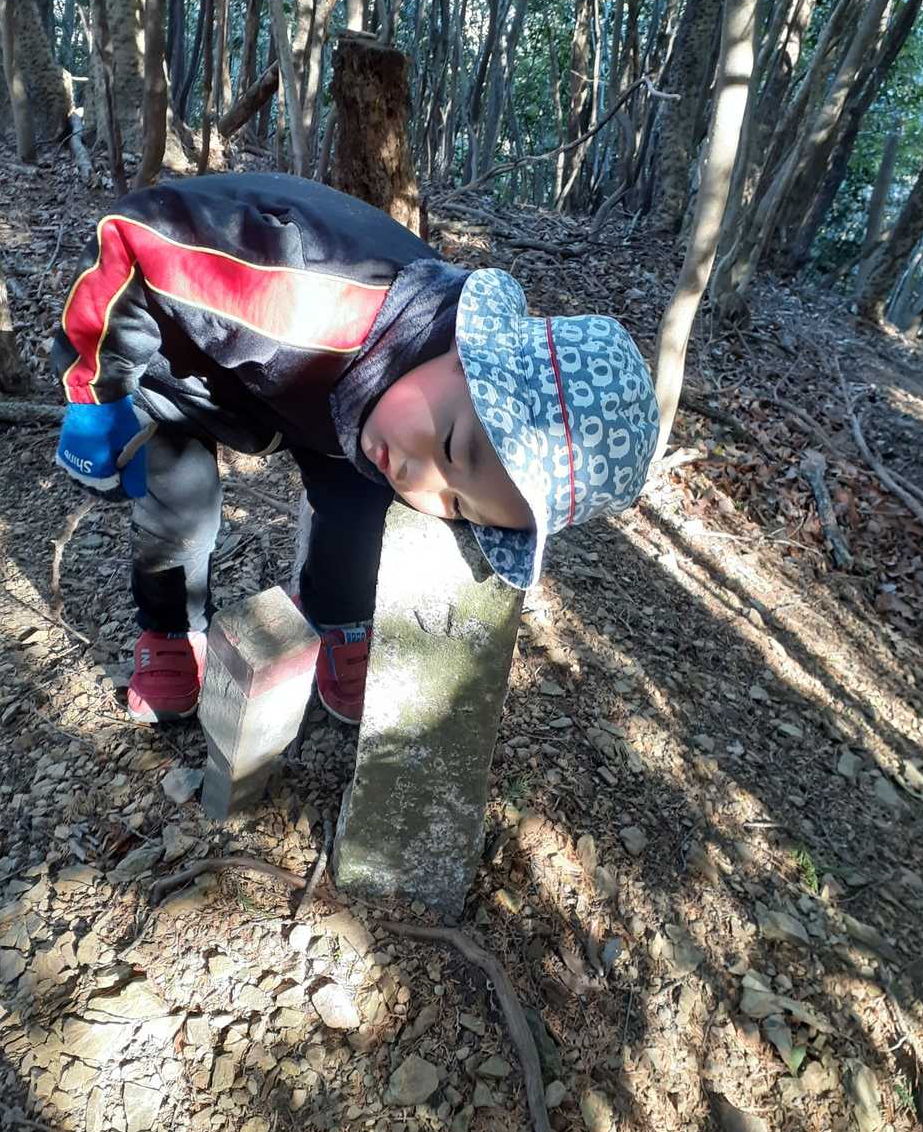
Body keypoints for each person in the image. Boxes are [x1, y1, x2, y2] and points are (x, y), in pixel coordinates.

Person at [52, 172, 659, 724]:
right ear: (463, 348)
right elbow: (132, 240)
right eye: (453, 446)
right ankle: (172, 628)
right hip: (176, 357)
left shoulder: (410, 412)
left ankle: (337, 615)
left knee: (358, 503)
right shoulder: (302, 297)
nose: (423, 481)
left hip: (325, 400)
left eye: (458, 505)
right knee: (179, 498)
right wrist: (94, 393)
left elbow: (433, 468)